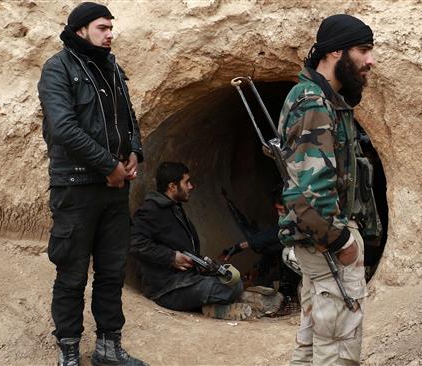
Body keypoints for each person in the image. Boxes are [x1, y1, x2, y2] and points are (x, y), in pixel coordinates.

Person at [38, 2, 146, 366]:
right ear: (81, 29)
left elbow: (129, 117)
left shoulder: (112, 67)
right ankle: (68, 350)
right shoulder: (58, 69)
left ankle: (108, 347)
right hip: (76, 187)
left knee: (112, 270)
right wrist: (108, 166)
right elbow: (64, 128)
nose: (110, 34)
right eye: (102, 27)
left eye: (111, 28)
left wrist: (133, 151)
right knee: (71, 272)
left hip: (114, 189)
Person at [276, 14, 377, 365]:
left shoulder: (322, 98)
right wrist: (340, 242)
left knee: (315, 337)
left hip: (319, 245)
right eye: (363, 50)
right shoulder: (314, 103)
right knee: (337, 346)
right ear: (335, 52)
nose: (370, 60)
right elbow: (306, 192)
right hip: (327, 246)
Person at [130, 162, 254, 321]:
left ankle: (211, 306)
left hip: (184, 281)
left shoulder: (174, 208)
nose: (191, 186)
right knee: (230, 288)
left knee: (232, 280)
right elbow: (134, 243)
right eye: (186, 182)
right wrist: (171, 257)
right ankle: (212, 308)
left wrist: (201, 264)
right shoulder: (151, 210)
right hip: (167, 289)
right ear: (173, 187)